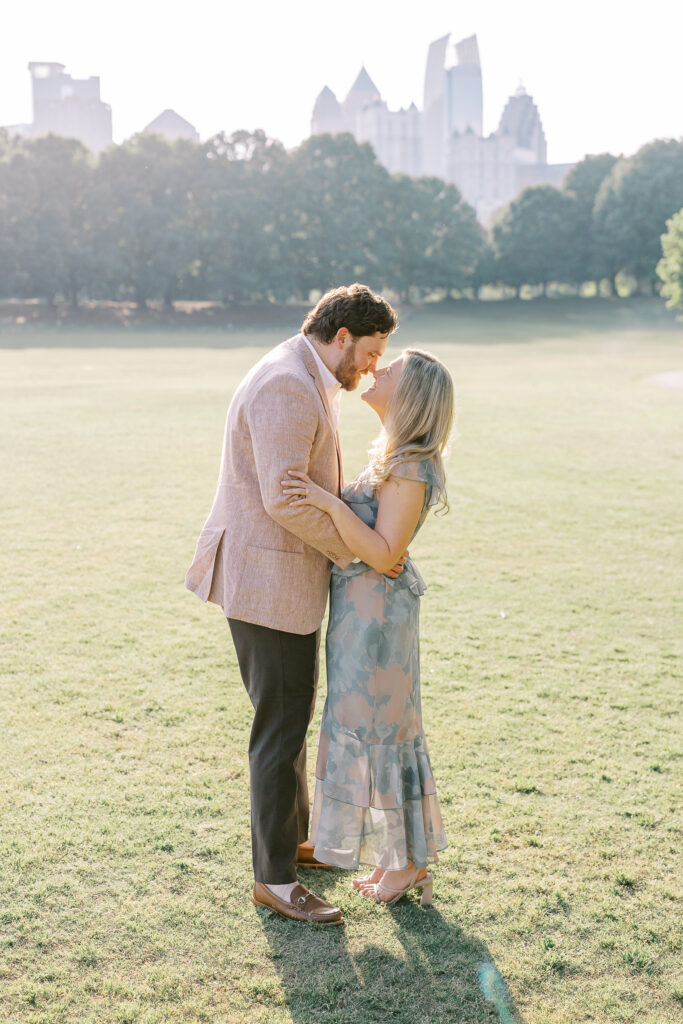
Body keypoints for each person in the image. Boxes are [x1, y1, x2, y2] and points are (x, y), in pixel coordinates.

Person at [184, 284, 403, 925]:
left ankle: (295, 843)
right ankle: (275, 882)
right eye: (369, 352)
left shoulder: (308, 374)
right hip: (266, 582)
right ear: (341, 336)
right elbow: (285, 498)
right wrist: (358, 553)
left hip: (276, 579)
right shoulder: (287, 382)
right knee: (279, 730)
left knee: (289, 720)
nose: (370, 367)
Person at [281, 347, 453, 905]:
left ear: (411, 397)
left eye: (391, 370)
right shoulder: (392, 456)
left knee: (382, 735)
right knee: (364, 731)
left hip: (379, 621)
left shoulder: (410, 466)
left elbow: (382, 554)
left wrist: (330, 507)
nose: (377, 371)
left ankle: (406, 867)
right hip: (360, 613)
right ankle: (395, 861)